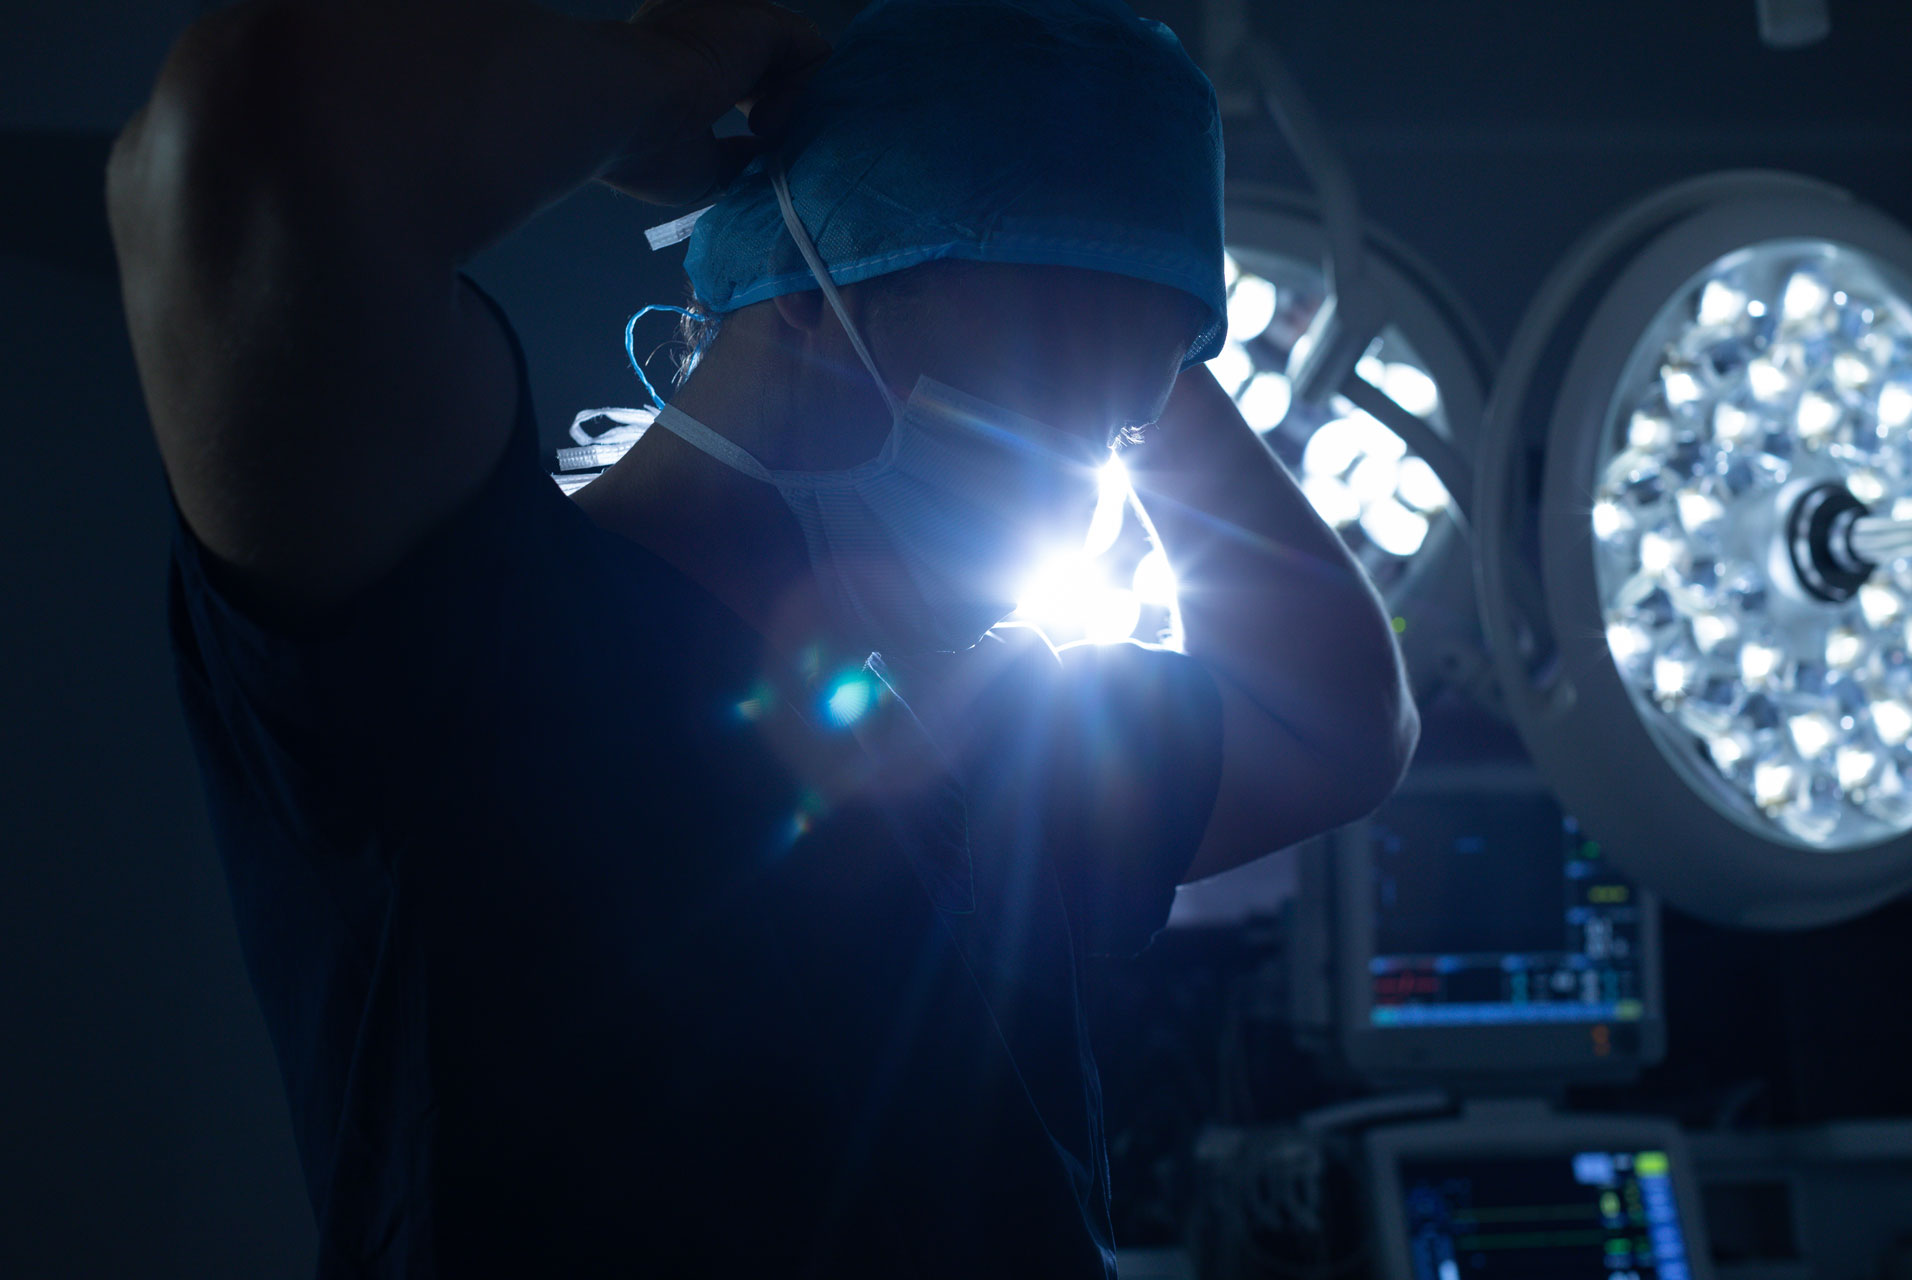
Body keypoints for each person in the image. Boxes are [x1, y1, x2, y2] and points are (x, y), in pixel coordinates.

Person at [107, 0, 1418, 1272]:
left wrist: (1139, 275)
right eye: (1042, 387)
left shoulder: (982, 740)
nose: (1084, 480)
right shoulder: (477, 625)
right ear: (811, 290)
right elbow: (248, 136)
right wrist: (661, 78)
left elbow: (1343, 721)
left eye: (1122, 436)